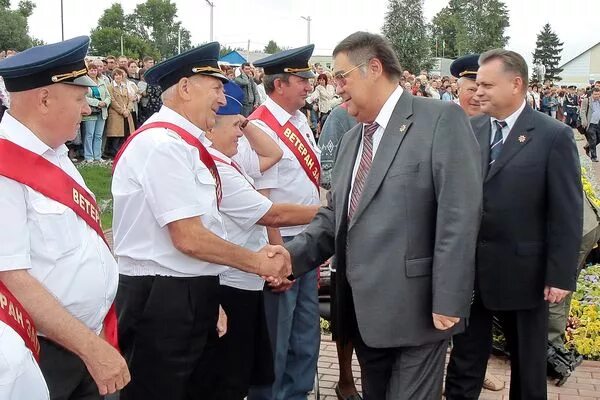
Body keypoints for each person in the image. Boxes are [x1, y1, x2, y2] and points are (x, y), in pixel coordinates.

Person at [284, 31, 482, 400]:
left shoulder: (440, 119)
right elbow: (333, 218)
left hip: (419, 313)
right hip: (364, 315)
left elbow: (460, 213)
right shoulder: (351, 140)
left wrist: (450, 298)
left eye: (342, 77)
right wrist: (288, 257)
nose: (334, 86)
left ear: (373, 68)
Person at [111, 42, 291, 400]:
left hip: (184, 292)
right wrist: (258, 262)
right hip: (161, 299)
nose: (223, 100)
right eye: (217, 88)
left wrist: (209, 297)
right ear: (185, 87)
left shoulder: (183, 144)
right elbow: (189, 237)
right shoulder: (163, 145)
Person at [444, 49, 582, 400]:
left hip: (525, 275)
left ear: (516, 84)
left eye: (488, 84)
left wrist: (560, 275)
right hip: (471, 275)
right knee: (464, 364)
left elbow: (566, 213)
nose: (478, 91)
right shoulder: (470, 129)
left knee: (528, 368)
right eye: (477, 84)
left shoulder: (553, 136)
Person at [0, 36, 129, 400]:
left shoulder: (55, 152)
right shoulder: (5, 167)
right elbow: (11, 276)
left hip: (87, 339)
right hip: (41, 354)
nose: (87, 108)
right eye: (79, 98)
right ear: (44, 100)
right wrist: (90, 348)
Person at [205, 81, 320, 400]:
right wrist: (332, 212)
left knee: (256, 361)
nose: (241, 134)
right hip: (234, 281)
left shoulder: (229, 160)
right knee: (236, 373)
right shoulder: (217, 167)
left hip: (248, 278)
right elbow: (274, 215)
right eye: (234, 126)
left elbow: (274, 152)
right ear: (210, 130)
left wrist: (246, 121)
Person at [245, 44, 323, 400]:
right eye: (302, 80)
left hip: (308, 241)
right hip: (282, 242)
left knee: (305, 333)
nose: (309, 86)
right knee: (277, 335)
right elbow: (263, 201)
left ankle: (297, 393)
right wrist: (276, 254)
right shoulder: (261, 127)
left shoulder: (300, 120)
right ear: (280, 85)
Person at [447, 54, 505, 393]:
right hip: (452, 245)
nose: (475, 96)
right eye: (469, 88)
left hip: (485, 250)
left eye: (481, 88)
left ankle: (473, 367)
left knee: (475, 325)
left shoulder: (496, 131)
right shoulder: (445, 125)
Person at [82, 62, 111, 163]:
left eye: (95, 70)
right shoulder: (85, 82)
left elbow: (108, 96)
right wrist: (97, 102)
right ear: (88, 71)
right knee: (89, 134)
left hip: (102, 111)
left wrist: (105, 102)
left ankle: (97, 156)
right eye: (91, 70)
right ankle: (89, 156)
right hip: (91, 111)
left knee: (98, 135)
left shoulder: (102, 82)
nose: (93, 72)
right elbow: (84, 97)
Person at [105, 67, 134, 157]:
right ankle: (114, 152)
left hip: (126, 113)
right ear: (113, 76)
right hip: (116, 113)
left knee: (125, 133)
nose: (118, 77)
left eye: (119, 75)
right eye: (116, 75)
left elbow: (130, 99)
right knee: (116, 134)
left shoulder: (125, 86)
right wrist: (122, 111)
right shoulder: (110, 87)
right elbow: (112, 100)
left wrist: (128, 110)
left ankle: (122, 151)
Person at [581, 87, 600, 161]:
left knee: (597, 139)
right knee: (593, 139)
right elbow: (582, 111)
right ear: (592, 94)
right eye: (595, 94)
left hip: (598, 123)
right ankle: (594, 157)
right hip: (590, 123)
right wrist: (584, 121)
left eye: (598, 94)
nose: (597, 96)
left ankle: (588, 146)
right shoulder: (586, 100)